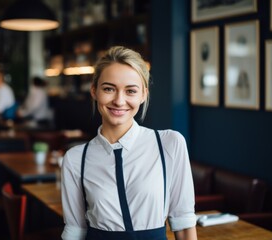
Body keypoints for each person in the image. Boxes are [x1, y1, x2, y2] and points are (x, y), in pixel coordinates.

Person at [61, 46, 197, 240]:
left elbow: (183, 224)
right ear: (94, 91)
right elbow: (75, 232)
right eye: (109, 89)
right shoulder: (75, 159)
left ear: (143, 95)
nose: (119, 100)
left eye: (131, 91)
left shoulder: (169, 144)